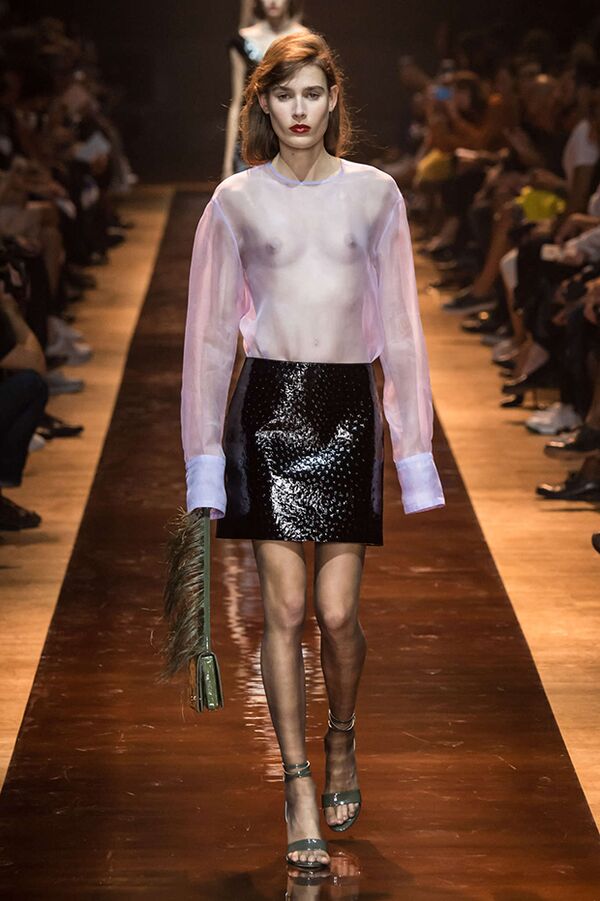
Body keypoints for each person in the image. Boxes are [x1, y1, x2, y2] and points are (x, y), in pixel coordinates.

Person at [181, 32, 445, 870]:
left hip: (345, 412)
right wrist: (203, 459)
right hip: (267, 411)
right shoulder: (235, 199)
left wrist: (412, 447)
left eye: (312, 94)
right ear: (263, 103)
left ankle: (342, 735)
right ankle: (297, 783)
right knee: (286, 611)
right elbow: (208, 337)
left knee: (336, 615)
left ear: (334, 102)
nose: (299, 110)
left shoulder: (375, 194)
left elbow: (400, 324)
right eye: (283, 94)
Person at [222, 0, 309, 179]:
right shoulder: (242, 41)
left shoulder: (305, 40)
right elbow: (237, 102)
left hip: (293, 135)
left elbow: (312, 96)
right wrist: (227, 163)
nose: (273, 1)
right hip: (253, 139)